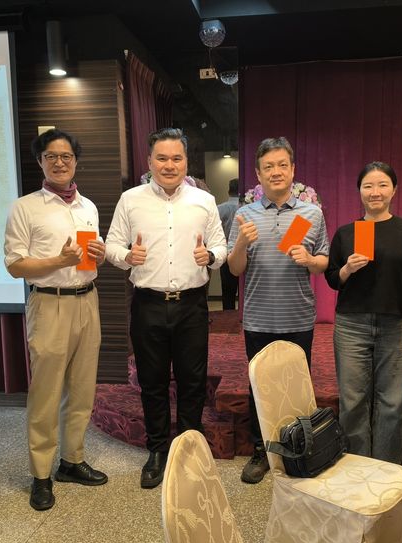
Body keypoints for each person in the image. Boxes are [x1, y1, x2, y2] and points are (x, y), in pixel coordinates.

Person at [105, 127, 227, 489]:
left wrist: (211, 256)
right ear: (149, 161)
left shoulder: (204, 201)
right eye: (162, 158)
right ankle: (157, 450)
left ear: (186, 162)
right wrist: (127, 256)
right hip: (148, 304)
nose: (169, 165)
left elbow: (221, 247)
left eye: (176, 158)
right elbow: (111, 245)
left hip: (192, 306)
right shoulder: (131, 200)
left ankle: (189, 451)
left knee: (192, 381)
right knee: (152, 381)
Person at [4, 129, 107, 511]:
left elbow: (88, 260)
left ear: (75, 161)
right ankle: (41, 475)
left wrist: (96, 256)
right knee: (46, 393)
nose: (60, 162)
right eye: (52, 156)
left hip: (87, 300)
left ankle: (72, 461)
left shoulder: (87, 206)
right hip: (49, 304)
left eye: (66, 156)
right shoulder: (25, 207)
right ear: (40, 162)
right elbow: (15, 265)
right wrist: (58, 261)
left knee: (82, 389)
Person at [227, 137, 330, 484]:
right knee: (259, 387)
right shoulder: (244, 215)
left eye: (282, 165)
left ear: (293, 169)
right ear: (258, 174)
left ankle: (299, 448)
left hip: (298, 316)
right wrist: (242, 243)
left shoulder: (311, 214)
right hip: (258, 318)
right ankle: (261, 451)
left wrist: (310, 259)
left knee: (298, 386)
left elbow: (323, 262)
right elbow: (235, 269)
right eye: (268, 166)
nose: (276, 172)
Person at [324, 162, 402, 464]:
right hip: (351, 325)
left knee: (392, 403)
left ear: (394, 190)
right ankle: (357, 466)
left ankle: (386, 468)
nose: (375, 192)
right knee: (352, 401)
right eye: (368, 186)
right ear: (359, 191)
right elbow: (332, 279)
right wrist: (347, 268)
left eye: (382, 185)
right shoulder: (347, 233)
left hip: (396, 325)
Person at [216, 178, 241, 310]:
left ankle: (227, 315)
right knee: (244, 289)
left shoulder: (219, 209)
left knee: (227, 290)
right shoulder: (247, 208)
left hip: (226, 252)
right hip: (244, 253)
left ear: (228, 191)